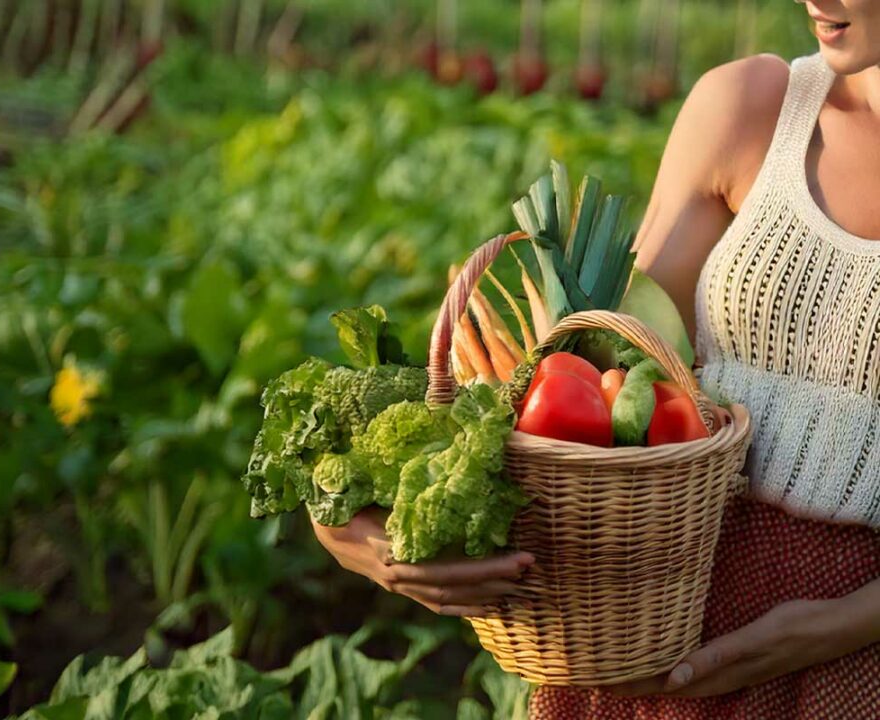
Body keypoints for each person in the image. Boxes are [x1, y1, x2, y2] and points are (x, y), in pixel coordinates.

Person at [310, 1, 880, 716]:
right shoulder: (753, 109)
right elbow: (599, 366)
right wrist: (359, 513)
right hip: (645, 619)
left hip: (850, 668)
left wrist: (839, 625)